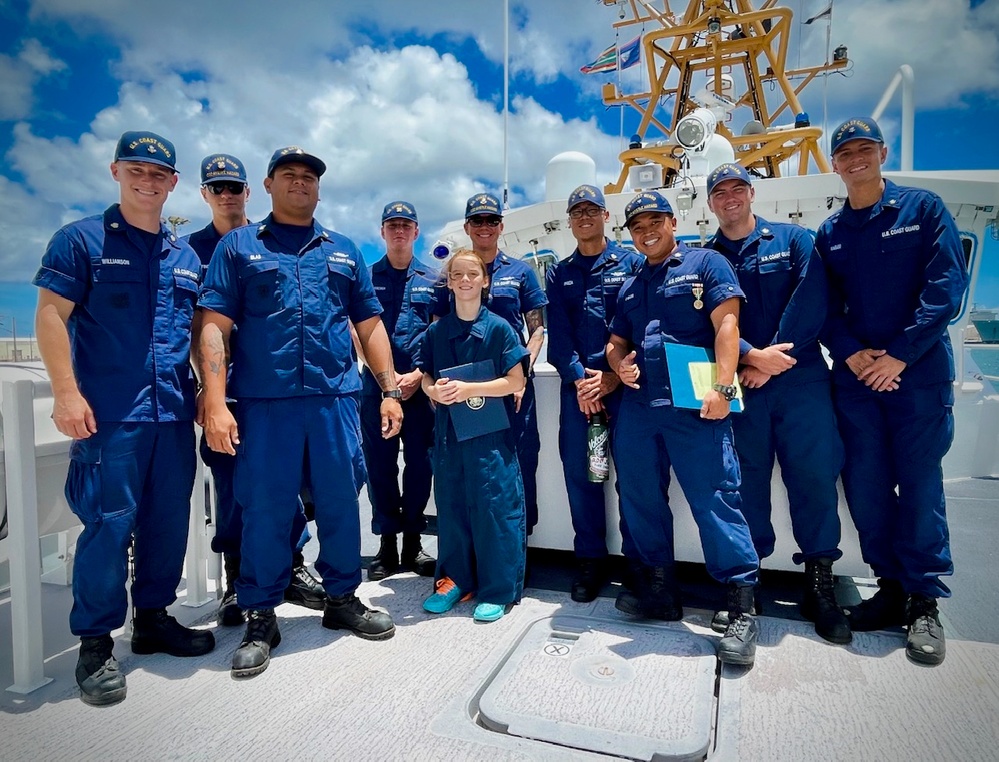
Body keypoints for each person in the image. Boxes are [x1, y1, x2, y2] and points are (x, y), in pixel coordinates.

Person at [197, 146, 402, 678]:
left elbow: (369, 324)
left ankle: (342, 599)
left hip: (335, 400)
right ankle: (261, 614)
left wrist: (388, 390)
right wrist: (215, 402)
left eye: (309, 177)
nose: (300, 183)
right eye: (289, 175)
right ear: (267, 185)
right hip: (265, 406)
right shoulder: (240, 247)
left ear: (318, 187)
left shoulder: (344, 250)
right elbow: (214, 325)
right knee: (265, 507)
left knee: (339, 501)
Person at [33, 130, 215, 706]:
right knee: (109, 525)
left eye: (159, 174)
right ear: (116, 171)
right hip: (110, 416)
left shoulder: (185, 256)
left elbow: (197, 336)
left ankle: (154, 619)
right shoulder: (80, 240)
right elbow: (51, 316)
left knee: (166, 522)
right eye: (136, 170)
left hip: (172, 415)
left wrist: (212, 398)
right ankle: (94, 643)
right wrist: (66, 393)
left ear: (173, 183)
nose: (147, 181)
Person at [816, 117, 969, 666]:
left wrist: (900, 353)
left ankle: (925, 599)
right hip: (858, 378)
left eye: (864, 149)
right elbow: (825, 306)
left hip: (917, 377)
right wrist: (851, 350)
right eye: (845, 152)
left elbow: (946, 288)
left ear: (882, 153)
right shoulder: (831, 233)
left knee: (921, 483)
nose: (855, 159)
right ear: (834, 164)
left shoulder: (922, 210)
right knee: (867, 484)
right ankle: (891, 587)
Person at [606, 190, 762, 666]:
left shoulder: (707, 263)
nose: (646, 230)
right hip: (640, 407)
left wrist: (723, 387)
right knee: (639, 497)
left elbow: (727, 326)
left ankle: (740, 607)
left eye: (654, 220)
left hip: (696, 404)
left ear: (673, 222)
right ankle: (660, 592)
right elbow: (616, 342)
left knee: (715, 497)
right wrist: (620, 367)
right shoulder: (631, 282)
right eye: (636, 225)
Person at [704, 163, 851, 644]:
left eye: (737, 189)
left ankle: (820, 586)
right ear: (710, 203)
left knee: (813, 478)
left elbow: (812, 304)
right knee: (743, 484)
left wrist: (768, 360)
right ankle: (748, 585)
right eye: (720, 192)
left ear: (751, 193)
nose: (730, 198)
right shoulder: (705, 259)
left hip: (800, 380)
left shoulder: (793, 241)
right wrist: (750, 356)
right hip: (741, 384)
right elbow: (704, 324)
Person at [183, 153, 323, 625]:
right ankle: (238, 576)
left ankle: (293, 566)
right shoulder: (188, 253)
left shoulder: (275, 241)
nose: (227, 194)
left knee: (291, 485)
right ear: (204, 193)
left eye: (234, 187)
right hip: (228, 395)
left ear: (251, 191)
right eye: (217, 187)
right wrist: (210, 391)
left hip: (280, 391)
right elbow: (193, 327)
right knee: (234, 489)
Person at [545, 184, 644, 602]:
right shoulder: (559, 272)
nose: (584, 217)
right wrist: (579, 382)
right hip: (580, 394)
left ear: (606, 216)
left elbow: (643, 324)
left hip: (626, 390)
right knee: (583, 477)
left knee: (634, 478)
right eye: (577, 211)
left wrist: (610, 378)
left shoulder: (633, 263)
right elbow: (559, 334)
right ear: (570, 221)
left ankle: (639, 564)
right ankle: (590, 559)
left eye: (592, 210)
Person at [418, 249, 529, 622]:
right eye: (457, 275)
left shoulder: (499, 328)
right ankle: (453, 581)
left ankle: (498, 589)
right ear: (448, 283)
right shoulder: (436, 332)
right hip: (450, 437)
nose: (465, 280)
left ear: (485, 281)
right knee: (451, 508)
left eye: (472, 274)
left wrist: (469, 390)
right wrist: (433, 393)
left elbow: (516, 380)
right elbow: (426, 377)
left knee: (493, 508)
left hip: (490, 438)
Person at [432, 193, 547, 535]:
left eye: (492, 220)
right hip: (464, 386)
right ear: (467, 227)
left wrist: (522, 374)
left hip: (512, 385)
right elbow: (439, 332)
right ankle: (473, 548)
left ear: (501, 226)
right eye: (477, 221)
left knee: (520, 460)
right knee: (468, 464)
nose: (485, 227)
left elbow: (537, 328)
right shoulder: (451, 275)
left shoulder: (521, 272)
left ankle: (518, 547)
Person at [359, 201, 437, 581]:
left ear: (417, 232)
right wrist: (387, 381)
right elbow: (358, 332)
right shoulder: (366, 277)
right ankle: (387, 544)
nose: (399, 231)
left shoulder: (434, 280)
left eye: (406, 225)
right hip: (376, 388)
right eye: (392, 225)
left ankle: (413, 542)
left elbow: (439, 335)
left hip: (420, 390)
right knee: (380, 467)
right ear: (383, 232)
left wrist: (418, 375)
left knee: (421, 466)